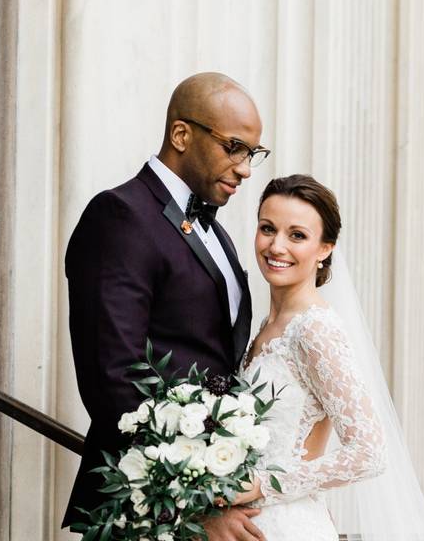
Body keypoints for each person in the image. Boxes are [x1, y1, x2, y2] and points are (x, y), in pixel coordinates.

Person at [62, 72, 271, 541]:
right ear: (181, 134)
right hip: (150, 510)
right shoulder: (120, 216)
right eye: (234, 147)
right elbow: (113, 380)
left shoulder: (215, 233)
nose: (245, 168)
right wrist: (193, 507)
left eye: (252, 154)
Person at [231, 175, 424, 540]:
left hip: (287, 526)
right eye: (267, 229)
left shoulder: (315, 329)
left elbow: (369, 452)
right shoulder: (265, 325)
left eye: (297, 235)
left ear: (325, 248)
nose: (276, 246)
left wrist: (263, 485)